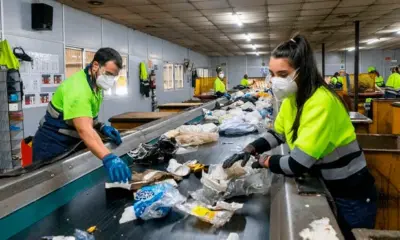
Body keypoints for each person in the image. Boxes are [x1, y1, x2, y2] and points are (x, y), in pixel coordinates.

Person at [223, 35, 377, 240]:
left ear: (302, 71)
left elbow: (296, 164)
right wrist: (251, 148)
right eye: (272, 74)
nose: (275, 80)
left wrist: (263, 161)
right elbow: (278, 133)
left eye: (283, 74)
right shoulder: (292, 98)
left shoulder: (321, 102)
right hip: (329, 184)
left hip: (351, 193)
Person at [33, 48, 131, 183]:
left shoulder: (95, 86)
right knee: (50, 190)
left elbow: (87, 117)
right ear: (96, 65)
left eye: (113, 76)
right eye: (108, 74)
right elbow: (84, 130)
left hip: (69, 144)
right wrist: (108, 157)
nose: (110, 80)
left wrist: (101, 127)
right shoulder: (78, 89)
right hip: (51, 146)